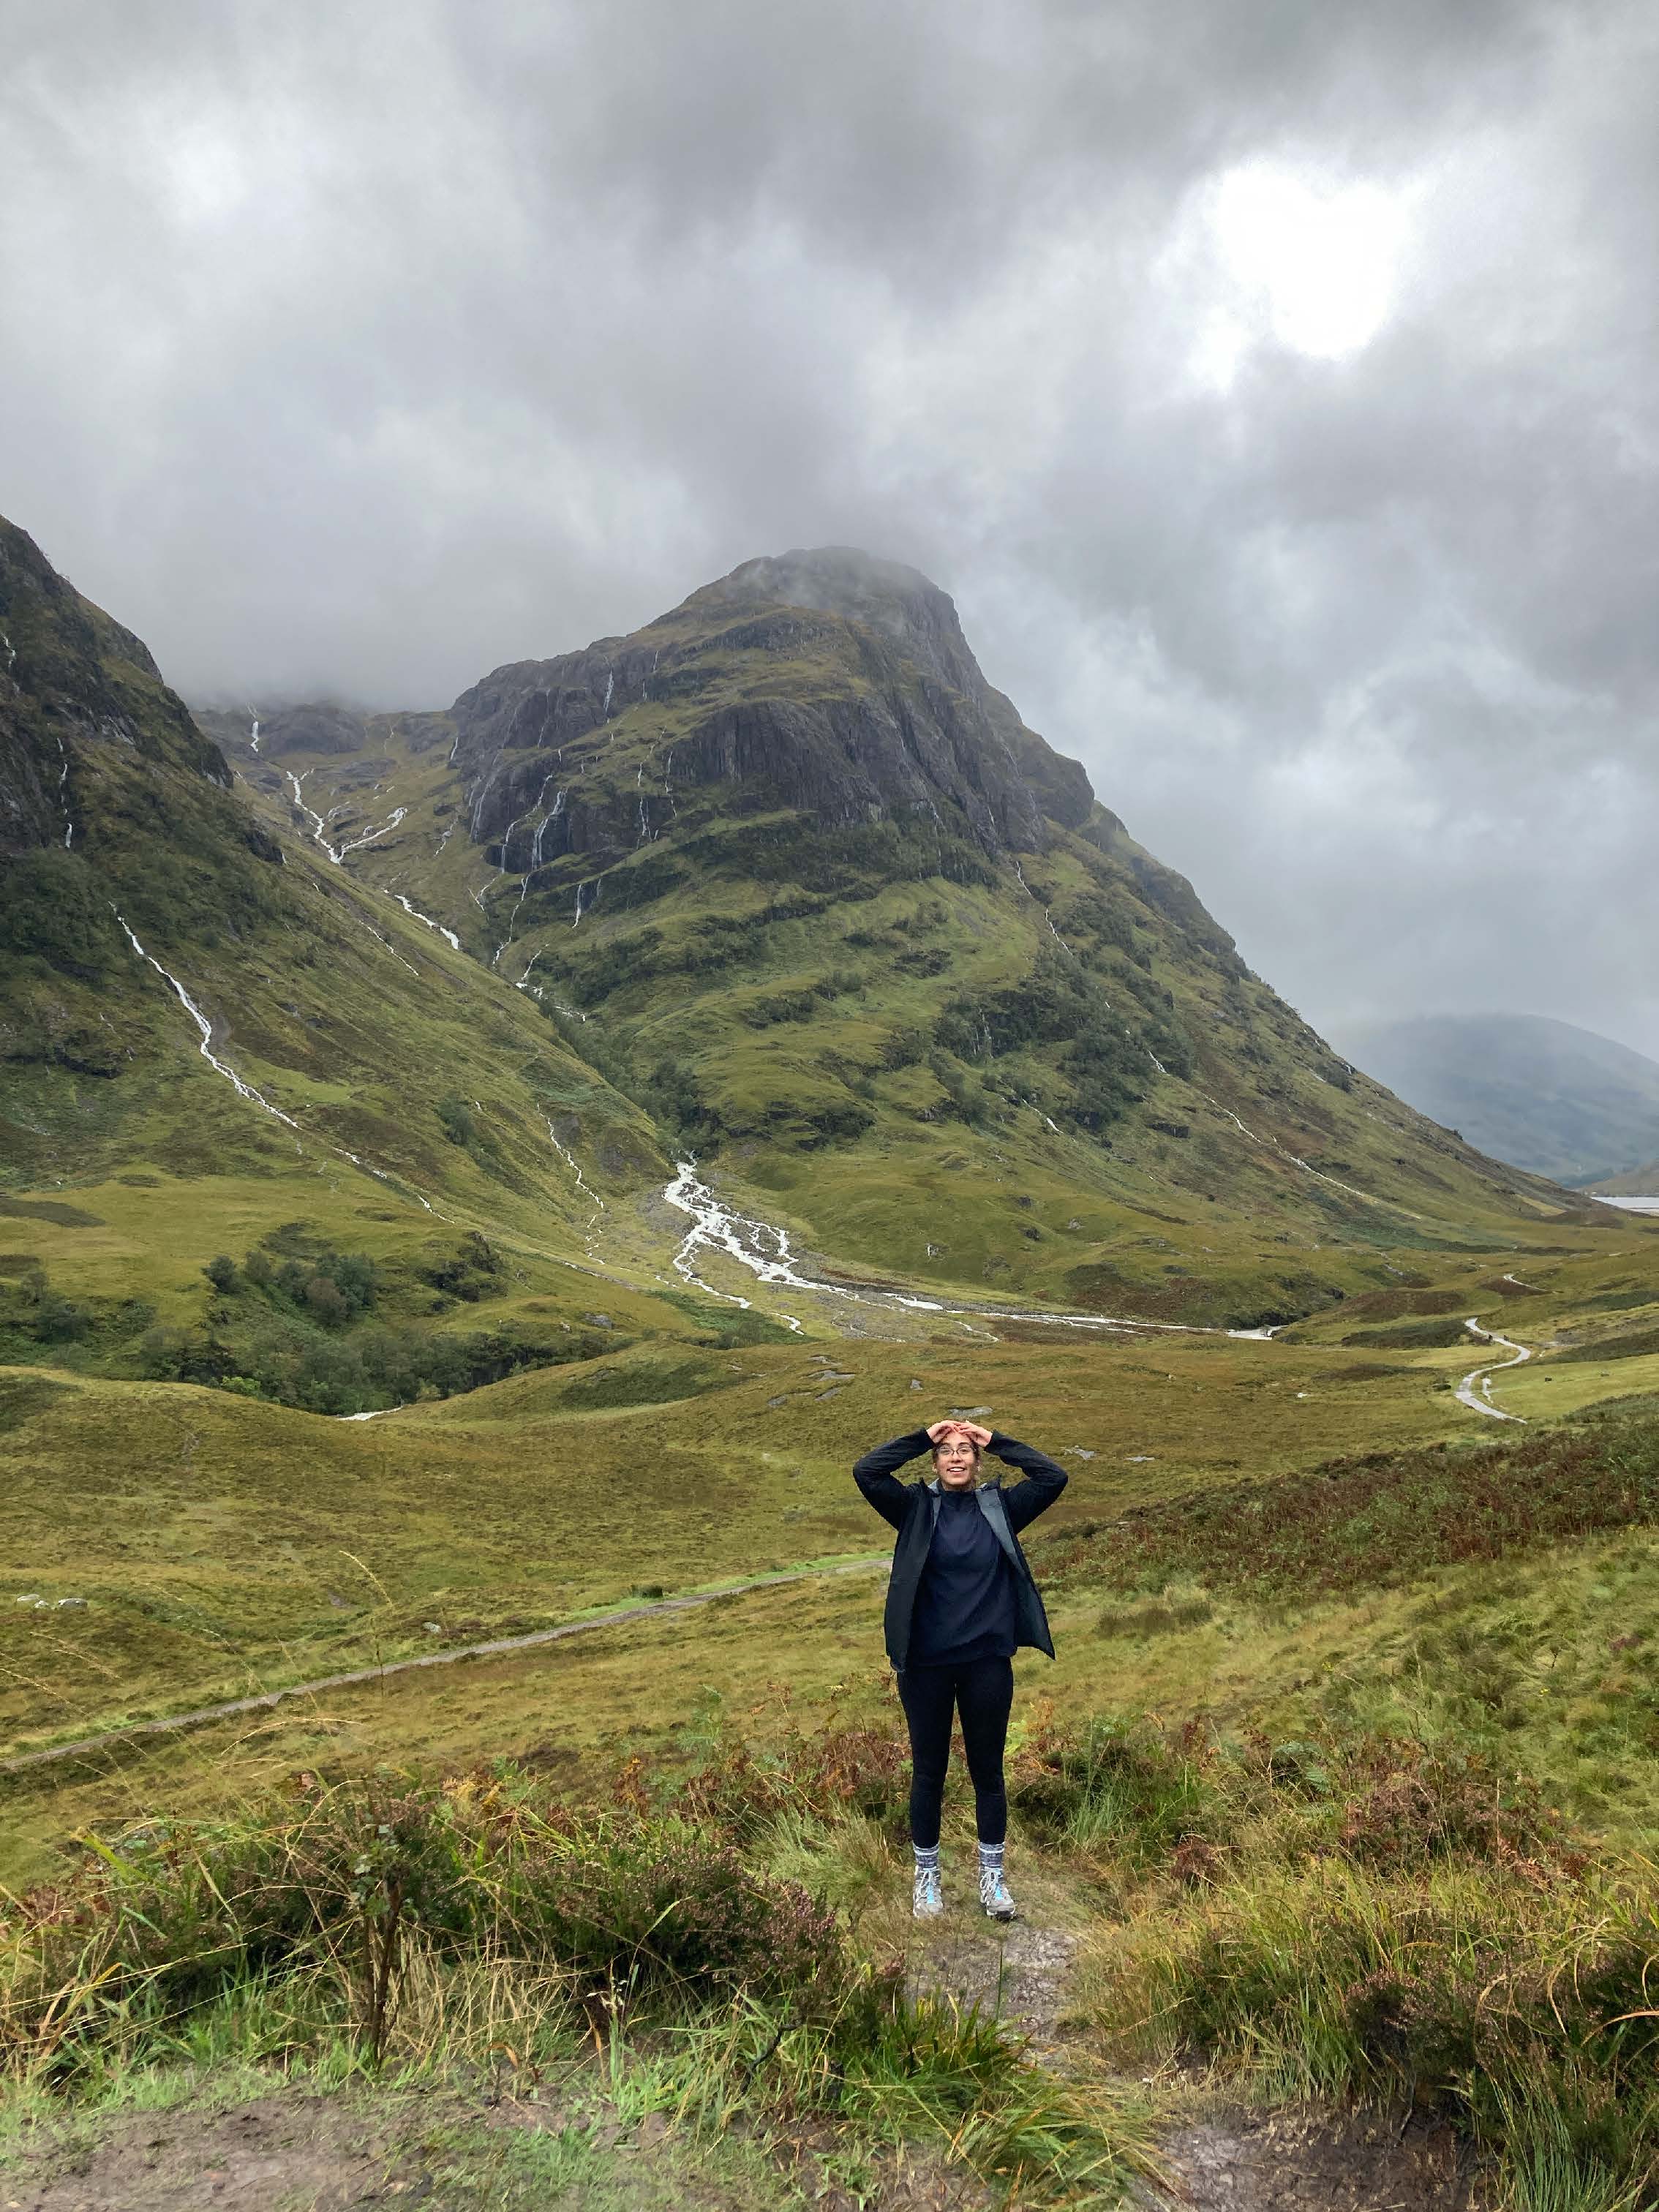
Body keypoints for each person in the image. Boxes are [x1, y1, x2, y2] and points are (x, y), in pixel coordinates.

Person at [852, 1415, 1067, 1921]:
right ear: (934, 1461)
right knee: (929, 1772)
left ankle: (992, 1879)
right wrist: (922, 1435)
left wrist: (998, 1440)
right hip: (924, 1664)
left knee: (988, 1773)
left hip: (986, 1663)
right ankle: (926, 1879)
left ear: (976, 1461)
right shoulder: (912, 1508)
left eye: (965, 1450)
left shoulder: (1002, 1508)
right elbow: (867, 1472)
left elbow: (1053, 1478)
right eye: (946, 1450)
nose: (956, 1457)